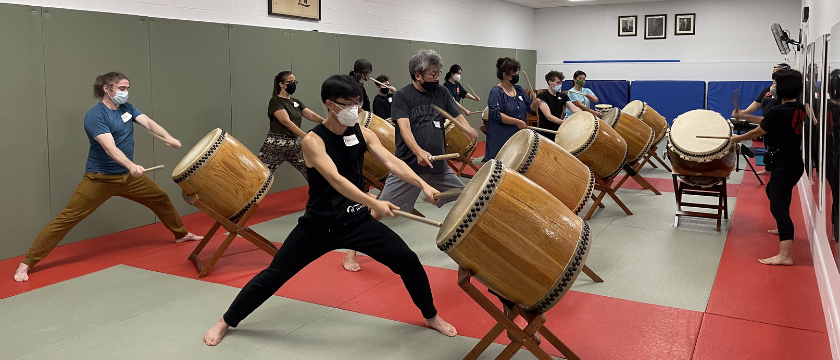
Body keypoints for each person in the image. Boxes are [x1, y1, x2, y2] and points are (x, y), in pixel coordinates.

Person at [203, 75, 457, 346]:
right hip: (319, 225)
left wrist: (422, 184)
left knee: (408, 261)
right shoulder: (313, 141)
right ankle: (226, 321)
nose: (354, 111)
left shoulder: (362, 132)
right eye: (348, 104)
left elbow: (392, 162)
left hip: (358, 222)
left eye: (358, 104)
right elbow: (336, 180)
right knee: (274, 275)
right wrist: (374, 202)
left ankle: (431, 316)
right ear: (330, 104)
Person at [13, 72, 203, 282]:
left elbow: (148, 123)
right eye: (122, 88)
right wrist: (131, 165)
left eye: (128, 88)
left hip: (128, 179)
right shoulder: (95, 116)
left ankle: (180, 234)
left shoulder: (127, 109)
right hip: (99, 179)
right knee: (66, 219)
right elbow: (109, 147)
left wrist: (169, 138)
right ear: (107, 88)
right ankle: (26, 263)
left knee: (160, 198)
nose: (126, 92)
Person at [342, 50, 477, 272]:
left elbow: (456, 115)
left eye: (438, 73)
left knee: (467, 198)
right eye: (432, 74)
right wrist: (418, 151)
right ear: (418, 75)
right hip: (407, 166)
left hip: (438, 168)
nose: (436, 77)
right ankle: (350, 251)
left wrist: (467, 129)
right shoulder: (403, 97)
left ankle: (470, 247)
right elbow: (404, 129)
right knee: (381, 210)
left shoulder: (442, 92)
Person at [731, 69, 805, 266]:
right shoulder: (798, 107)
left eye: (776, 85)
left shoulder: (777, 111)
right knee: (773, 191)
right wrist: (743, 115)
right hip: (793, 163)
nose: (773, 88)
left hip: (783, 164)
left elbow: (761, 128)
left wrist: (738, 138)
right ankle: (784, 229)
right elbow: (769, 120)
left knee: (778, 207)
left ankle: (785, 255)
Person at [259, 71, 325, 179]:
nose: (293, 84)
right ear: (281, 84)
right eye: (290, 82)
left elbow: (311, 115)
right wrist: (306, 136)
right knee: (260, 175)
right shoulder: (275, 101)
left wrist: (326, 122)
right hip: (275, 145)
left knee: (311, 171)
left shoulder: (296, 102)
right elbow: (286, 122)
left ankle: (321, 194)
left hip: (293, 144)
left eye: (295, 82)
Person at [732, 63, 790, 175]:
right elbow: (758, 103)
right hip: (766, 122)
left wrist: (743, 119)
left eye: (777, 71)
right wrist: (746, 111)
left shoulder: (787, 92)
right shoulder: (768, 89)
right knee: (768, 146)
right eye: (774, 71)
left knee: (777, 148)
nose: (774, 73)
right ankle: (769, 169)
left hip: (778, 125)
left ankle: (778, 171)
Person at [485, 57, 542, 159]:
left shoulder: (518, 89)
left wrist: (535, 103)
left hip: (518, 137)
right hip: (501, 139)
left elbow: (530, 108)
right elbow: (496, 114)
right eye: (514, 74)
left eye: (517, 73)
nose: (517, 76)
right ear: (505, 75)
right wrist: (517, 122)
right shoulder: (496, 92)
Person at [537, 70, 580, 141]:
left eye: (561, 83)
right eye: (558, 83)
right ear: (550, 82)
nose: (560, 85)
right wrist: (565, 123)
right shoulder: (542, 96)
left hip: (558, 130)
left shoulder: (563, 96)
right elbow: (549, 116)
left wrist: (586, 116)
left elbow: (574, 109)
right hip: (545, 131)